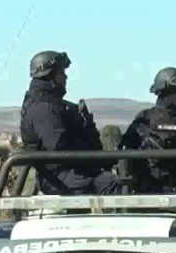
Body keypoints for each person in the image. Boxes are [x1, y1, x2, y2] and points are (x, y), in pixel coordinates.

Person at [19, 50, 120, 196]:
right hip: (58, 176)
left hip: (69, 172)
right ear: (49, 76)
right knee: (113, 185)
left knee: (118, 178)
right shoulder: (42, 108)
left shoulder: (53, 105)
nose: (65, 77)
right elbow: (59, 148)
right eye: (61, 72)